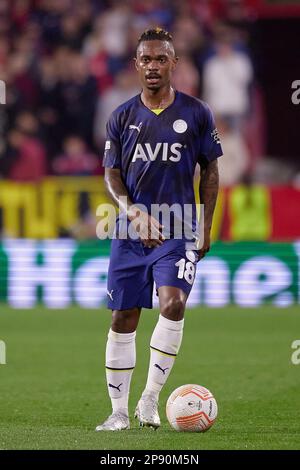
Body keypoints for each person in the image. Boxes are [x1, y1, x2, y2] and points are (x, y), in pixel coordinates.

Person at [96, 28, 222, 432]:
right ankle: (118, 411)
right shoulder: (122, 117)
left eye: (161, 59)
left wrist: (206, 223)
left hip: (179, 228)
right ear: (136, 65)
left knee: (172, 304)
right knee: (123, 317)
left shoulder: (197, 112)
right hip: (131, 231)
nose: (153, 66)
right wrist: (131, 211)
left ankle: (149, 399)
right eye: (146, 60)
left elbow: (211, 170)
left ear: (174, 63)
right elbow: (111, 174)